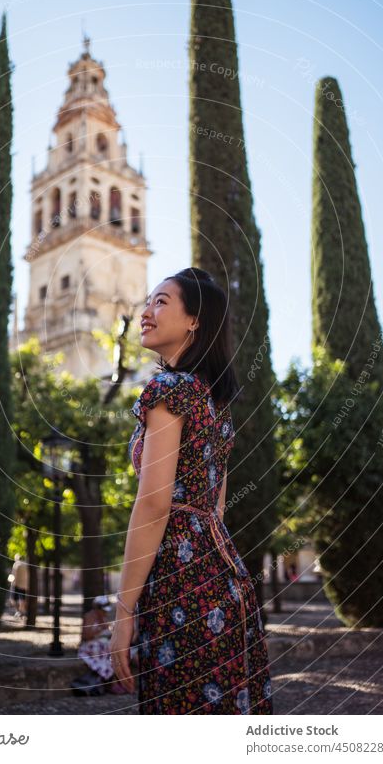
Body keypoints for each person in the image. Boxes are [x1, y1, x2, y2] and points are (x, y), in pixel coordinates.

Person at [109, 268, 273, 714]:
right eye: (149, 301)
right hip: (225, 579)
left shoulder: (168, 389)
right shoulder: (215, 405)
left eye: (162, 302)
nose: (147, 311)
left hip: (180, 585)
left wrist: (123, 612)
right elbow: (215, 507)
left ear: (194, 321)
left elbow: (154, 503)